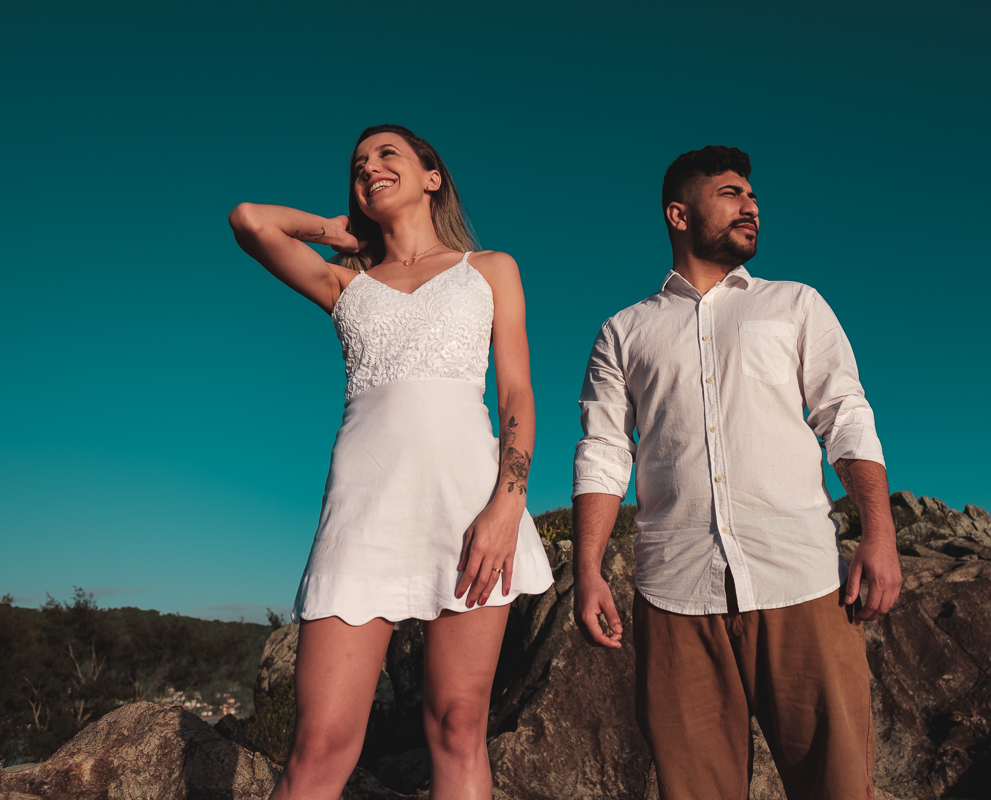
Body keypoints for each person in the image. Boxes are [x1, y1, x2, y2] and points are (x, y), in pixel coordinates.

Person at [229, 124, 553, 800]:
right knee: (318, 746)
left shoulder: (490, 269)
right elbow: (250, 221)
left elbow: (516, 393)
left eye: (386, 155)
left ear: (433, 177)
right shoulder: (346, 284)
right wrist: (336, 231)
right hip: (362, 511)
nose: (369, 167)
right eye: (358, 164)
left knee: (458, 728)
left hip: (469, 506)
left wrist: (507, 502)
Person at [571, 145, 902, 800]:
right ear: (678, 214)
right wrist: (587, 570)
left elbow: (844, 416)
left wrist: (880, 532)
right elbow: (604, 451)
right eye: (730, 193)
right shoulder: (623, 332)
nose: (750, 205)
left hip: (802, 581)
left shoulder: (796, 303)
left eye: (752, 195)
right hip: (674, 595)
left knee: (840, 788)